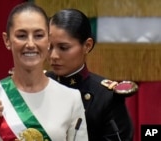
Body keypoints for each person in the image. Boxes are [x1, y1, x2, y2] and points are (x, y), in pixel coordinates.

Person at [0, 3, 88, 141]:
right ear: (7, 40)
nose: (30, 44)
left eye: (39, 35)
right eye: (22, 36)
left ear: (48, 40)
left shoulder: (71, 99)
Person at [46, 9, 134, 141]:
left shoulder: (106, 97)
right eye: (49, 47)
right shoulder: (40, 84)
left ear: (87, 46)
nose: (53, 56)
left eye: (63, 48)